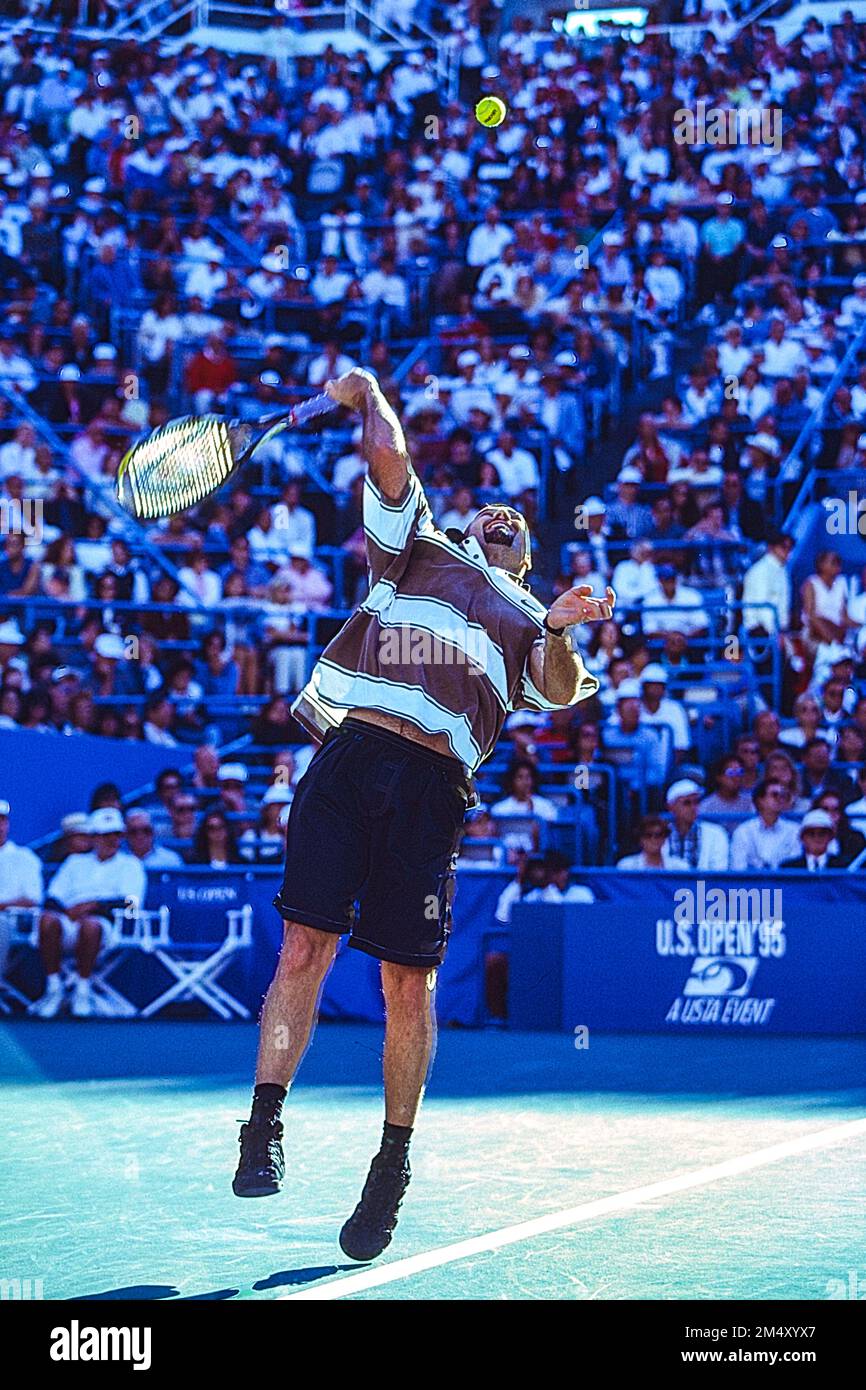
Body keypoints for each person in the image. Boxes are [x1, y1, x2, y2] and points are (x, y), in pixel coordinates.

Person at [233, 367, 614, 1262]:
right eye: (492, 510)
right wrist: (368, 398)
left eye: (518, 522)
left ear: (529, 555)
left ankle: (390, 1167)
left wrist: (556, 629)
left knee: (411, 984)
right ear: (471, 523)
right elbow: (393, 458)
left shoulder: (529, 617)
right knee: (304, 950)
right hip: (350, 759)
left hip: (433, 789)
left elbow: (558, 693)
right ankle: (262, 1126)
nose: (502, 516)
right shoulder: (419, 549)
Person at [30, 808, 146, 1019]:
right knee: (47, 920)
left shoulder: (131, 865)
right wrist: (69, 911)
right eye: (105, 835)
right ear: (93, 837)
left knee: (91, 925)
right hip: (68, 921)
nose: (112, 840)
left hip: (107, 928)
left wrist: (93, 906)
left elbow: (132, 903)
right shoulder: (74, 863)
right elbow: (52, 897)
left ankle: (82, 989)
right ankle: (54, 987)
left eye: (116, 835)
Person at [729, 780, 801, 872]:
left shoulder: (794, 830)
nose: (780, 799)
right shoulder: (743, 831)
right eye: (774, 795)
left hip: (785, 883)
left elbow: (794, 865)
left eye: (783, 796)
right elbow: (738, 867)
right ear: (760, 800)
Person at [664, 779, 730, 870]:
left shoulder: (717, 833)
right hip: (668, 884)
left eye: (696, 802)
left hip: (702, 884)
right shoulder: (658, 834)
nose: (693, 808)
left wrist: (698, 885)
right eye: (687, 803)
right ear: (670, 807)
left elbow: (717, 875)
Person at [779, 810, 847, 871]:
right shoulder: (789, 868)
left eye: (822, 833)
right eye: (811, 833)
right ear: (802, 838)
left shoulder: (843, 866)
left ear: (830, 837)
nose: (816, 838)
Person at [616, 815, 689, 871]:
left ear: (664, 839)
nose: (653, 839)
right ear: (640, 839)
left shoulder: (680, 867)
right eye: (648, 835)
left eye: (658, 835)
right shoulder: (626, 867)